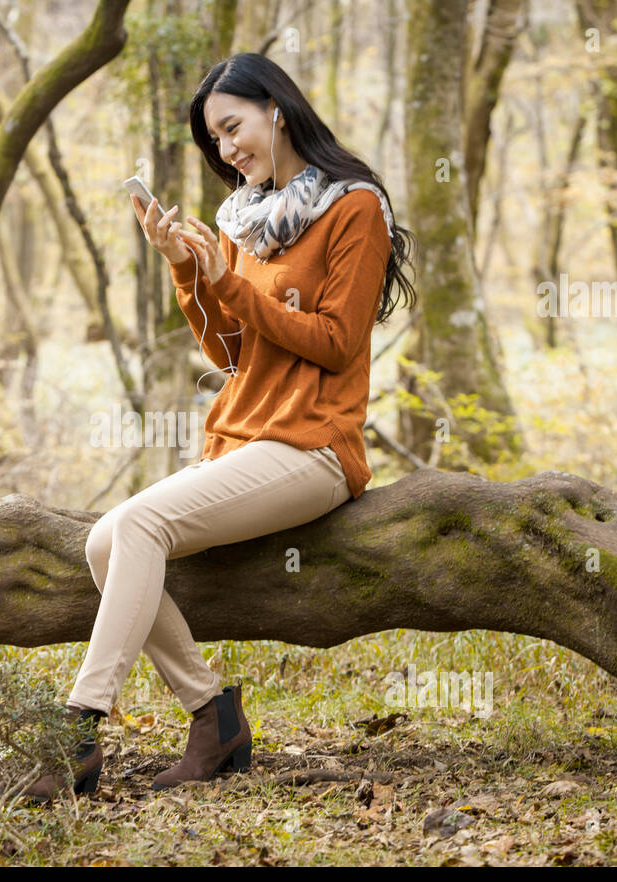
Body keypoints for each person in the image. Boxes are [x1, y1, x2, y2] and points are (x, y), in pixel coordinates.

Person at [21, 51, 417, 804]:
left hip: (313, 447)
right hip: (244, 435)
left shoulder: (354, 208)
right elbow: (231, 350)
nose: (228, 151)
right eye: (216, 142)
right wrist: (185, 268)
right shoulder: (246, 218)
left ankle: (76, 730)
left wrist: (230, 279)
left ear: (276, 107)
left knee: (136, 528)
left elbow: (336, 340)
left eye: (233, 128)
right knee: (106, 540)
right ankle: (214, 716)